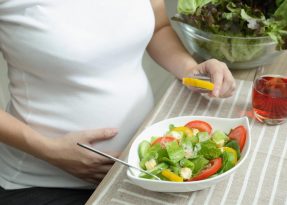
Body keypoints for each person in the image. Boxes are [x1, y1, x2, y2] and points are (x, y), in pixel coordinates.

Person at [0, 0, 235, 204]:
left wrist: (190, 69)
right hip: (44, 183)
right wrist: (50, 151)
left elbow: (158, 27)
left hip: (142, 169)